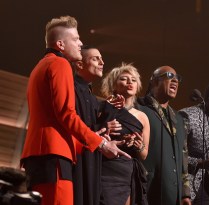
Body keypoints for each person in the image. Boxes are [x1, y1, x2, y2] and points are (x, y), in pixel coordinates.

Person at [20, 16, 129, 205]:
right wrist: (101, 144)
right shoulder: (60, 64)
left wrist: (90, 139)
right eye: (76, 39)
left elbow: (52, 116)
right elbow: (66, 113)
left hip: (39, 156)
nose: (81, 43)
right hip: (54, 157)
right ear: (61, 44)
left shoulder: (39, 67)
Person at [72, 45, 124, 205]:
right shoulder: (71, 88)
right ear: (80, 64)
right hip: (76, 159)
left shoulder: (92, 97)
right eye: (95, 58)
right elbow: (74, 124)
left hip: (91, 160)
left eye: (101, 58)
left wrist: (109, 112)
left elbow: (95, 127)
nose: (102, 62)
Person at [138, 66, 191, 205]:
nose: (175, 80)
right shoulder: (139, 108)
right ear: (154, 81)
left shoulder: (179, 119)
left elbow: (183, 158)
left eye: (177, 78)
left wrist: (185, 194)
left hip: (172, 194)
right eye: (169, 75)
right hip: (145, 190)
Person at [99, 63, 150, 205]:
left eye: (133, 80)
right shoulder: (102, 107)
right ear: (113, 85)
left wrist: (138, 146)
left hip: (127, 172)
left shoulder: (142, 116)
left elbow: (144, 154)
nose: (129, 82)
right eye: (124, 79)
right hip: (106, 170)